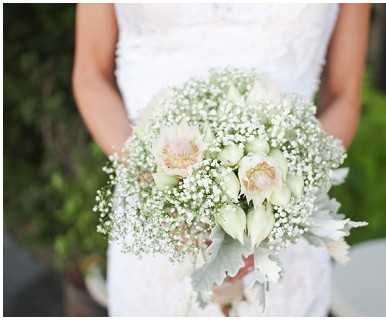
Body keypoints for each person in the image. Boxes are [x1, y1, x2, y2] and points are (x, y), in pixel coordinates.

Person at [72, 3, 370, 316]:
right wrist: (156, 183)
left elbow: (344, 95)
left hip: (281, 218)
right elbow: (91, 74)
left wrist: (279, 205)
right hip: (155, 217)